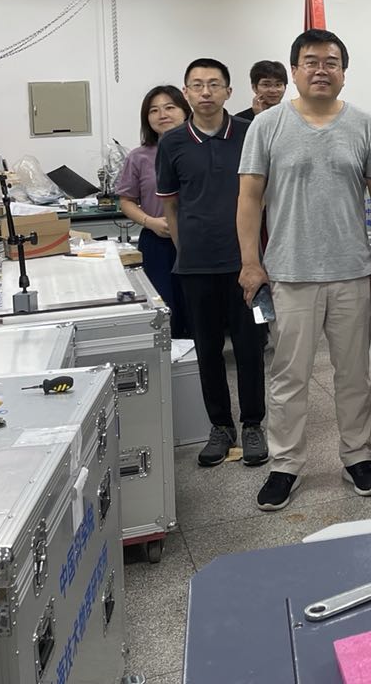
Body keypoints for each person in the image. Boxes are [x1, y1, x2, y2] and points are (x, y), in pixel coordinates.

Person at [238, 29, 371, 512]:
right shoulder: (267, 126)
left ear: (344, 71)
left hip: (351, 271)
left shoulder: (365, 126)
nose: (321, 70)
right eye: (311, 61)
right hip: (290, 273)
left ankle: (357, 456)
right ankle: (286, 464)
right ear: (295, 71)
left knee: (354, 375)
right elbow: (249, 199)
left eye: (331, 62)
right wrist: (250, 262)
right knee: (289, 377)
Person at [157, 59, 268, 469]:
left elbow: (265, 197)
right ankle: (220, 426)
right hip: (196, 266)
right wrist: (185, 251)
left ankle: (253, 424)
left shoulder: (249, 133)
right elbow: (171, 206)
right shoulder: (172, 143)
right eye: (197, 85)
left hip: (247, 264)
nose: (206, 92)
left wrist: (259, 257)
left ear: (228, 92)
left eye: (214, 84)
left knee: (251, 348)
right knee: (207, 350)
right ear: (186, 92)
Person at [117, 85, 192, 339]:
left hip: (198, 242)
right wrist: (150, 222)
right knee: (165, 311)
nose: (162, 115)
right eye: (154, 110)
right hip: (158, 243)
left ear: (185, 110)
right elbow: (126, 201)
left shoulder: (200, 149)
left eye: (170, 107)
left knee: (198, 310)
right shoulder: (139, 157)